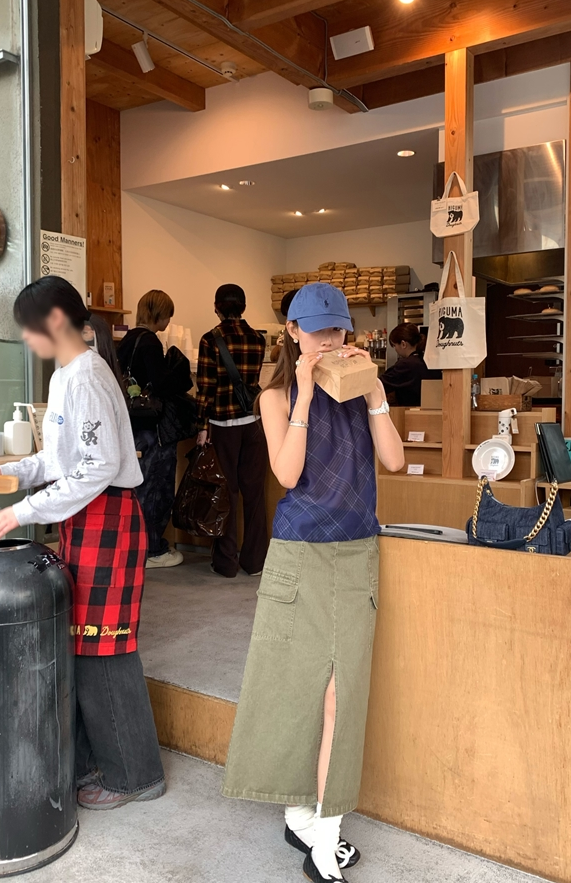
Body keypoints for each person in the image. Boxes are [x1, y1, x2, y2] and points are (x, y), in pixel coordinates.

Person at [222, 283, 404, 883]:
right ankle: (299, 814)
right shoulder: (274, 395)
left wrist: (375, 393)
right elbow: (287, 472)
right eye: (317, 330)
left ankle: (324, 836)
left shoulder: (359, 392)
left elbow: (395, 461)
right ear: (293, 332)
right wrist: (302, 391)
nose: (329, 340)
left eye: (337, 329)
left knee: (339, 697)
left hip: (355, 553)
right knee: (293, 688)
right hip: (298, 554)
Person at [0, 276, 165, 811]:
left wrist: (20, 511)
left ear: (55, 322)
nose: (25, 338)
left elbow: (98, 467)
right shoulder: (66, 375)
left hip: (108, 519)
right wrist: (10, 472)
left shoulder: (87, 377)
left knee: (106, 649)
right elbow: (58, 461)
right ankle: (106, 764)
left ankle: (136, 776)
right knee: (86, 645)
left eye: (29, 327)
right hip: (86, 521)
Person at [196, 283, 268, 578]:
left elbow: (205, 389)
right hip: (254, 422)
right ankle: (255, 561)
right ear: (243, 307)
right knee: (255, 492)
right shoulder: (258, 339)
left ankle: (226, 562)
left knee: (226, 492)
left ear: (217, 308)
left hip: (223, 425)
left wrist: (201, 426)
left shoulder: (210, 339)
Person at [118, 290, 194, 569]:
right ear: (158, 314)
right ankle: (152, 548)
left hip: (131, 424)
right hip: (153, 427)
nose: (169, 321)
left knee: (138, 487)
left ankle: (135, 546)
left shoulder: (127, 340)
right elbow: (161, 384)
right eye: (168, 315)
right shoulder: (150, 342)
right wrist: (181, 375)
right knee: (157, 488)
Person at [380, 322, 441, 407]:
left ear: (403, 344)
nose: (395, 349)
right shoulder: (429, 360)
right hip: (434, 409)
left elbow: (380, 384)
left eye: (394, 345)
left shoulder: (405, 365)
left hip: (409, 412)